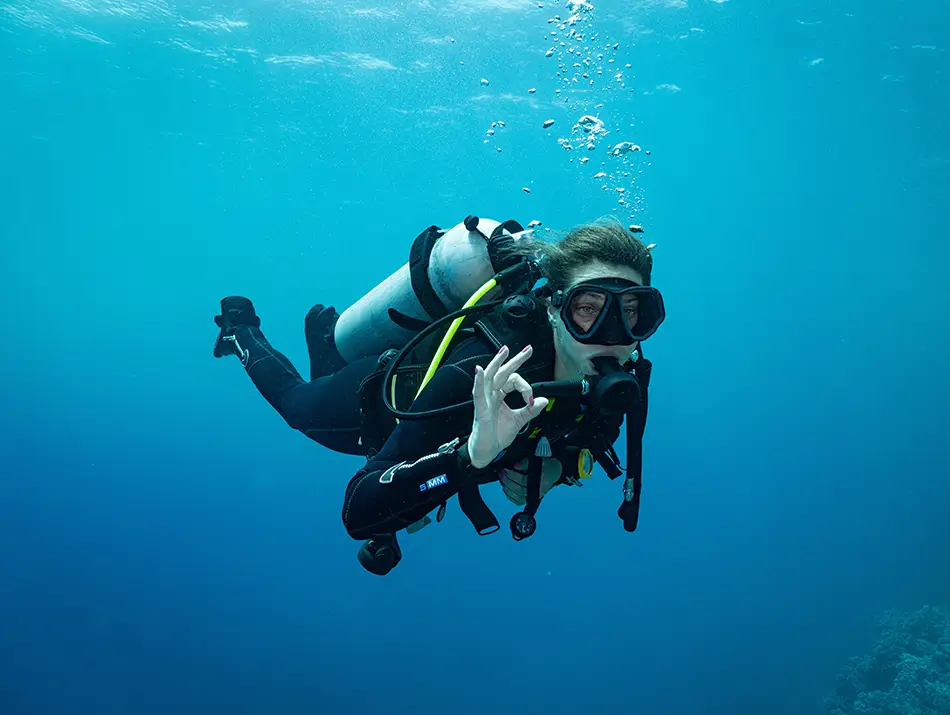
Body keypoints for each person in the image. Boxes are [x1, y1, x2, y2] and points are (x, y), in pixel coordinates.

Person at [212, 216, 666, 574]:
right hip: (378, 401)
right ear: (554, 310)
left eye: (632, 314)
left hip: (422, 444)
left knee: (324, 373)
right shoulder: (479, 372)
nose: (612, 335)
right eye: (588, 309)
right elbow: (358, 511)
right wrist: (466, 459)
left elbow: (577, 443)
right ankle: (239, 328)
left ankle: (324, 336)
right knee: (298, 408)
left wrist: (554, 470)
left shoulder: (617, 388)